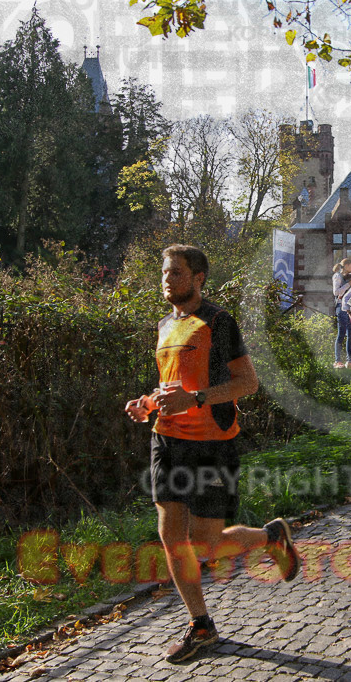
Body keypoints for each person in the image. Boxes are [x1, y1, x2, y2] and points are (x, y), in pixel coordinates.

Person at [124, 244, 300, 664]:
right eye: (164, 273)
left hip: (210, 445)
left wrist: (197, 399)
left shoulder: (219, 322)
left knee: (204, 546)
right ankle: (200, 624)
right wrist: (149, 403)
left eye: (176, 273)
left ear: (198, 278)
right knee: (171, 537)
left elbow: (248, 383)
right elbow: (172, 386)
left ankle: (271, 537)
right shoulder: (166, 325)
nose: (167, 280)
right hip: (166, 440)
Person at [332, 258, 351, 368]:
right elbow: (336, 292)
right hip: (340, 307)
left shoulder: (350, 276)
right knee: (341, 333)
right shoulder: (337, 276)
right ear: (346, 265)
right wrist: (348, 285)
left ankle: (350, 360)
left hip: (350, 307)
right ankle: (337, 360)